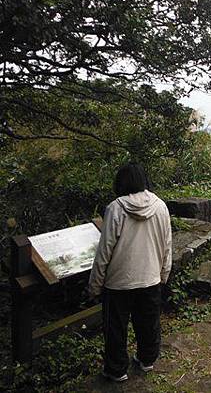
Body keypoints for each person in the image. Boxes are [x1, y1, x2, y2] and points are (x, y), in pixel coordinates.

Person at [88, 163, 172, 382]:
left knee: (116, 328)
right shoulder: (160, 206)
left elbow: (104, 250)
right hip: (150, 277)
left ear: (121, 182)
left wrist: (95, 284)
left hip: (119, 282)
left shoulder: (116, 208)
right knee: (148, 322)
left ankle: (116, 370)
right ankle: (147, 359)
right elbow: (167, 245)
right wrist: (164, 273)